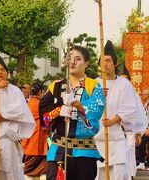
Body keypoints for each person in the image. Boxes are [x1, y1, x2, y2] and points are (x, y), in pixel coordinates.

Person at [39, 45, 105, 180]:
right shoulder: (55, 86)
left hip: (83, 152)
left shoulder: (93, 86)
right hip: (58, 150)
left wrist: (78, 105)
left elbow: (95, 115)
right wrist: (58, 110)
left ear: (86, 63)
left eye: (78, 59)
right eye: (70, 58)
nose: (73, 62)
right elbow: (43, 116)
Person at [94, 40, 147, 180]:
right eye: (102, 61)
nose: (105, 64)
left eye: (108, 60)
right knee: (99, 175)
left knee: (120, 175)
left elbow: (130, 109)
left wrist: (114, 120)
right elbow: (87, 110)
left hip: (117, 140)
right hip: (97, 141)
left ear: (115, 63)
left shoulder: (124, 84)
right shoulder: (94, 84)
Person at [118, 64, 146, 177]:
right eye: (122, 79)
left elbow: (139, 113)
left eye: (126, 79)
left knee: (128, 161)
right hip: (114, 132)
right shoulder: (113, 91)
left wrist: (138, 132)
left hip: (129, 132)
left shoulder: (134, 94)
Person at [21, 83, 47, 180]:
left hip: (29, 139)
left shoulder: (28, 102)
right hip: (38, 141)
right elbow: (47, 120)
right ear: (40, 92)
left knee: (29, 171)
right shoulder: (41, 103)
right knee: (40, 172)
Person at [137, 88, 149, 170]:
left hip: (147, 128)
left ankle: (143, 162)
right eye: (141, 94)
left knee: (143, 141)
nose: (141, 96)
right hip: (143, 128)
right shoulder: (141, 104)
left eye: (143, 94)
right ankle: (141, 163)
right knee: (140, 142)